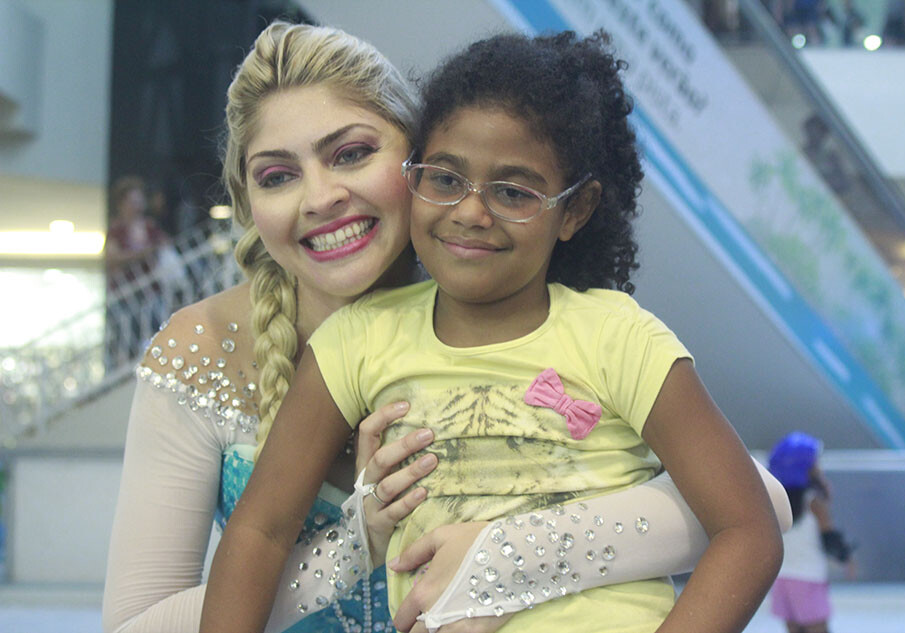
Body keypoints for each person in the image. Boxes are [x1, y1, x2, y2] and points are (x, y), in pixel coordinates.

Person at [200, 29, 786, 633]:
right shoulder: (356, 341)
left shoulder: (618, 337)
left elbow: (748, 530)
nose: (471, 212)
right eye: (445, 179)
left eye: (512, 192)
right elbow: (259, 532)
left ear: (575, 210)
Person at [768, 432, 854, 633]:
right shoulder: (814, 501)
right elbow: (830, 538)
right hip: (808, 577)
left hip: (781, 577)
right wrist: (847, 558)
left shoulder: (775, 501)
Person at [105, 175, 172, 367]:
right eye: (132, 201)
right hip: (127, 296)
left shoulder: (150, 227)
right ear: (122, 204)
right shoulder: (117, 230)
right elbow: (111, 257)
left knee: (156, 334)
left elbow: (166, 245)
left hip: (151, 293)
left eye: (139, 200)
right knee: (127, 338)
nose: (137, 206)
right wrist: (140, 255)